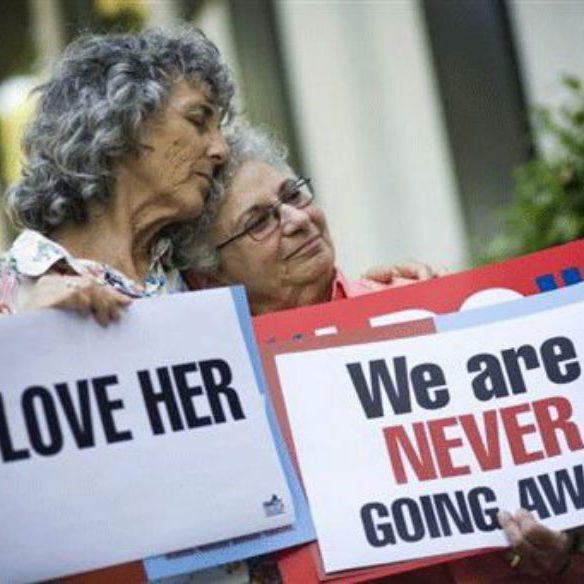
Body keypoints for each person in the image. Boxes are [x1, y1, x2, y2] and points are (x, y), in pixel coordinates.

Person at [181, 124, 584, 582]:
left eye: (293, 194)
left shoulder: (430, 306)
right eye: (258, 222)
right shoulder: (224, 402)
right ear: (208, 279)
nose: (295, 219)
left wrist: (564, 556)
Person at [0, 27, 232, 324]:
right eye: (198, 120)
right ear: (123, 123)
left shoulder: (206, 281)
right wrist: (26, 333)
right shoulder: (14, 291)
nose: (221, 150)